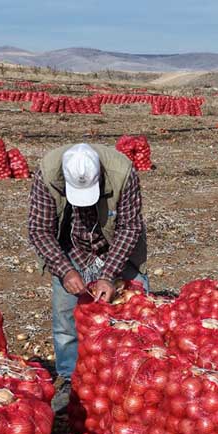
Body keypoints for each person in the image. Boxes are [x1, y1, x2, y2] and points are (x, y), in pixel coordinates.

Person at [26, 143, 148, 412]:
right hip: (72, 249)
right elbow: (39, 229)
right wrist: (65, 269)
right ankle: (70, 377)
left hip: (116, 245)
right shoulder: (48, 173)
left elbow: (129, 228)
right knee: (66, 317)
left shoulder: (122, 171)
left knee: (136, 316)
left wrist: (107, 275)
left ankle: (133, 378)